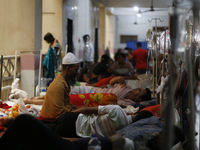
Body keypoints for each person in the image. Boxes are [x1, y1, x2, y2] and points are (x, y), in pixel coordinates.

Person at [0, 114, 185, 150]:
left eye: (160, 136)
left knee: (25, 121)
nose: (154, 134)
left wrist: (117, 141)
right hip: (76, 140)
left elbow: (116, 141)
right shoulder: (140, 142)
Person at [40, 52, 79, 119]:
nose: (77, 73)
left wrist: (71, 106)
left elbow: (66, 103)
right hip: (50, 120)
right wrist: (71, 109)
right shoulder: (59, 85)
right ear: (68, 69)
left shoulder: (64, 82)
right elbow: (58, 112)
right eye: (76, 70)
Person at [71, 76, 151, 106]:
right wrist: (118, 79)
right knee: (69, 90)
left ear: (139, 99)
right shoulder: (127, 87)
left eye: (139, 90)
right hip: (93, 90)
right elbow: (111, 82)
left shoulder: (129, 104)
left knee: (70, 100)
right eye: (139, 88)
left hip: (94, 100)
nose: (137, 88)